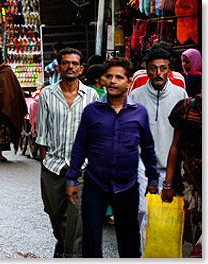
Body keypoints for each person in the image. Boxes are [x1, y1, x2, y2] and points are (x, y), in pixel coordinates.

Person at [65, 57, 159, 258]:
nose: (113, 81)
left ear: (129, 81)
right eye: (109, 76)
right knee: (91, 236)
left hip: (127, 185)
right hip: (95, 184)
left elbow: (148, 148)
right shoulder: (92, 111)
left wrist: (153, 180)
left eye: (119, 77)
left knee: (128, 239)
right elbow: (80, 146)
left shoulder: (139, 112)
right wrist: (72, 179)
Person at [35, 48, 99, 258]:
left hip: (81, 167)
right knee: (54, 212)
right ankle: (62, 242)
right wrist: (45, 161)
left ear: (81, 69)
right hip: (53, 165)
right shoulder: (47, 94)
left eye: (74, 63)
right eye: (65, 63)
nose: (70, 66)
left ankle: (71, 255)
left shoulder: (91, 95)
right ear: (59, 67)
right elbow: (42, 133)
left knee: (76, 217)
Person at [129, 49, 188, 228]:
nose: (158, 73)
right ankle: (142, 254)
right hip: (142, 167)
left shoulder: (180, 95)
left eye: (163, 68)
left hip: (173, 167)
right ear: (146, 69)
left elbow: (183, 135)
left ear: (169, 69)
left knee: (168, 219)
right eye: (153, 68)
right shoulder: (135, 96)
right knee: (143, 212)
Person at [163, 94, 202, 258]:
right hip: (190, 182)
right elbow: (175, 146)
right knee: (195, 230)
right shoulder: (187, 108)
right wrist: (168, 184)